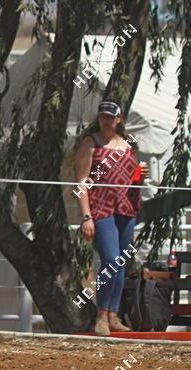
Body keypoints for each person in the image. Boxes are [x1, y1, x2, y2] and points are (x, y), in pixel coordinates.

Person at [74, 100, 142, 336]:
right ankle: (101, 315)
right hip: (101, 209)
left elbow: (133, 178)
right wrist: (86, 216)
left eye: (111, 116)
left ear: (119, 119)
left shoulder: (129, 143)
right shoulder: (90, 143)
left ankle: (113, 314)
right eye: (103, 116)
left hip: (127, 208)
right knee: (110, 260)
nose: (106, 120)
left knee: (120, 263)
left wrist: (141, 177)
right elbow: (81, 182)